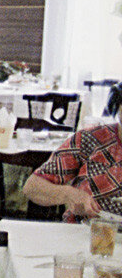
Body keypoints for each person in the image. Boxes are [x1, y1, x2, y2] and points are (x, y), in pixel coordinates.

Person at [22, 84, 122, 219]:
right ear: (116, 107)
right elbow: (32, 187)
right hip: (83, 232)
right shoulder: (91, 139)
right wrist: (68, 194)